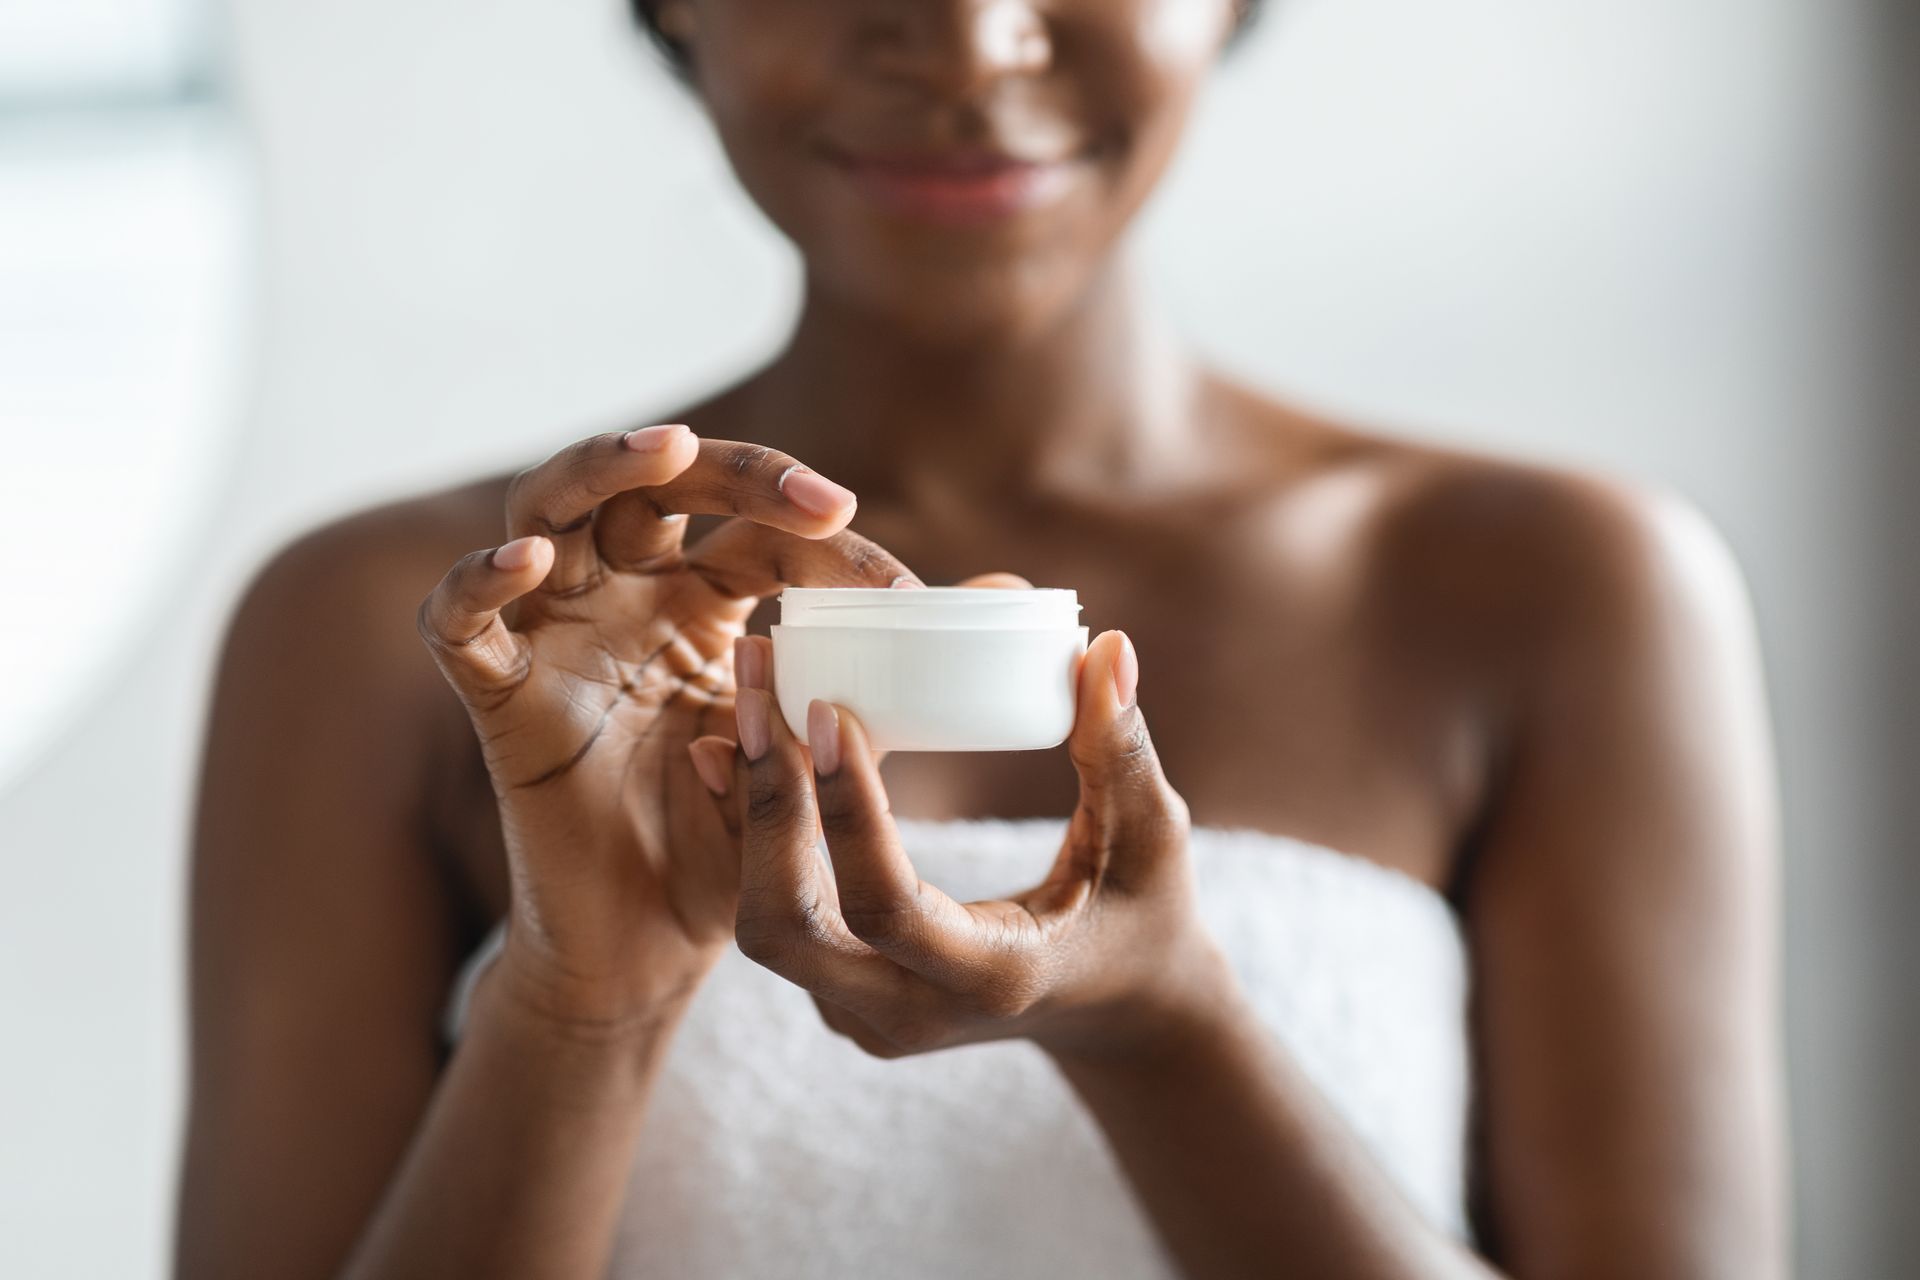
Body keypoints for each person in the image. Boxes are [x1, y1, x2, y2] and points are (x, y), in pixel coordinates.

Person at [173, 2, 1788, 1277]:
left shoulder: (1554, 595)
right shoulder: (421, 633)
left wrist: (1167, 1032)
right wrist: (583, 1005)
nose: (967, 42)